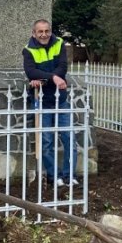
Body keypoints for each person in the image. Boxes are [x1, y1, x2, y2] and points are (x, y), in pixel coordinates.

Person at [22, 19, 77, 187]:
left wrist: (43, 78)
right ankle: (54, 177)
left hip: (60, 99)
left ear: (50, 31)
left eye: (47, 31)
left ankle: (69, 176)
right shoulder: (28, 50)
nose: (44, 34)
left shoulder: (59, 43)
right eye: (40, 31)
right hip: (41, 101)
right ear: (34, 33)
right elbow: (31, 72)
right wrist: (52, 77)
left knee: (68, 138)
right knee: (45, 142)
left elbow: (62, 67)